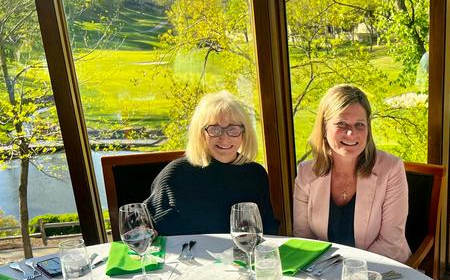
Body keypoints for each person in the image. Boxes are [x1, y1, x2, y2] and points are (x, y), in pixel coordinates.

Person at [293, 84, 411, 263]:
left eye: (359, 125)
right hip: (323, 271)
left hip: (383, 269)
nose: (351, 133)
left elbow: (390, 243)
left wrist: (349, 272)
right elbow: (304, 239)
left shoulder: (391, 169)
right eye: (341, 124)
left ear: (368, 129)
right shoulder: (306, 173)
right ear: (324, 127)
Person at [145, 90, 278, 236]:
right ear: (201, 134)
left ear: (244, 133)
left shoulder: (255, 174)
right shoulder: (175, 175)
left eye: (233, 129)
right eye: (215, 129)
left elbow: (268, 229)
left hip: (242, 251)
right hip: (190, 251)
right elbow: (147, 228)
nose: (224, 138)